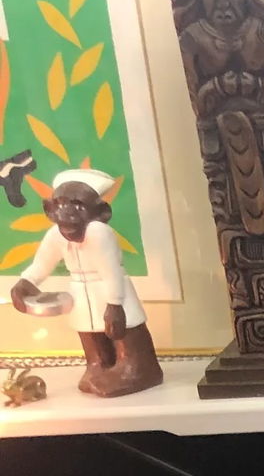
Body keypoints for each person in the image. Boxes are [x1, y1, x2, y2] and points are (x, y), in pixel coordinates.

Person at [10, 169, 162, 397]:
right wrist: (25, 284)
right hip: (81, 290)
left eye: (78, 205)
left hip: (110, 288)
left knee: (124, 332)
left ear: (101, 213)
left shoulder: (99, 232)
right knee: (89, 333)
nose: (67, 214)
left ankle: (136, 369)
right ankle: (98, 365)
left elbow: (110, 270)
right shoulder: (55, 235)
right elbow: (42, 264)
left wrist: (115, 304)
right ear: (49, 209)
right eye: (60, 205)